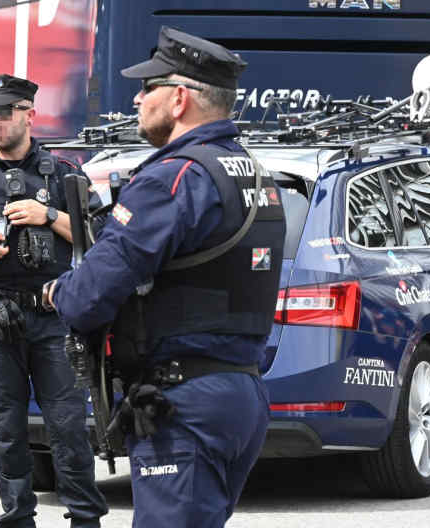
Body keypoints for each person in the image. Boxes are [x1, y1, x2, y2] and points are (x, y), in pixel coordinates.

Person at [42, 26, 286, 527]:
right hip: (239, 393)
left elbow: (88, 297)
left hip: (182, 402)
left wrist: (57, 291)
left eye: (148, 86)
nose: (136, 98)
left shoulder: (171, 178)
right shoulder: (253, 172)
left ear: (179, 99)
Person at [0, 74, 107, 528]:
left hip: (53, 317)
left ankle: (85, 519)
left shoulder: (65, 175)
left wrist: (49, 215)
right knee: (5, 431)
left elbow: (99, 240)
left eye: (5, 111)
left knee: (69, 427)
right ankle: (17, 518)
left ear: (29, 114)